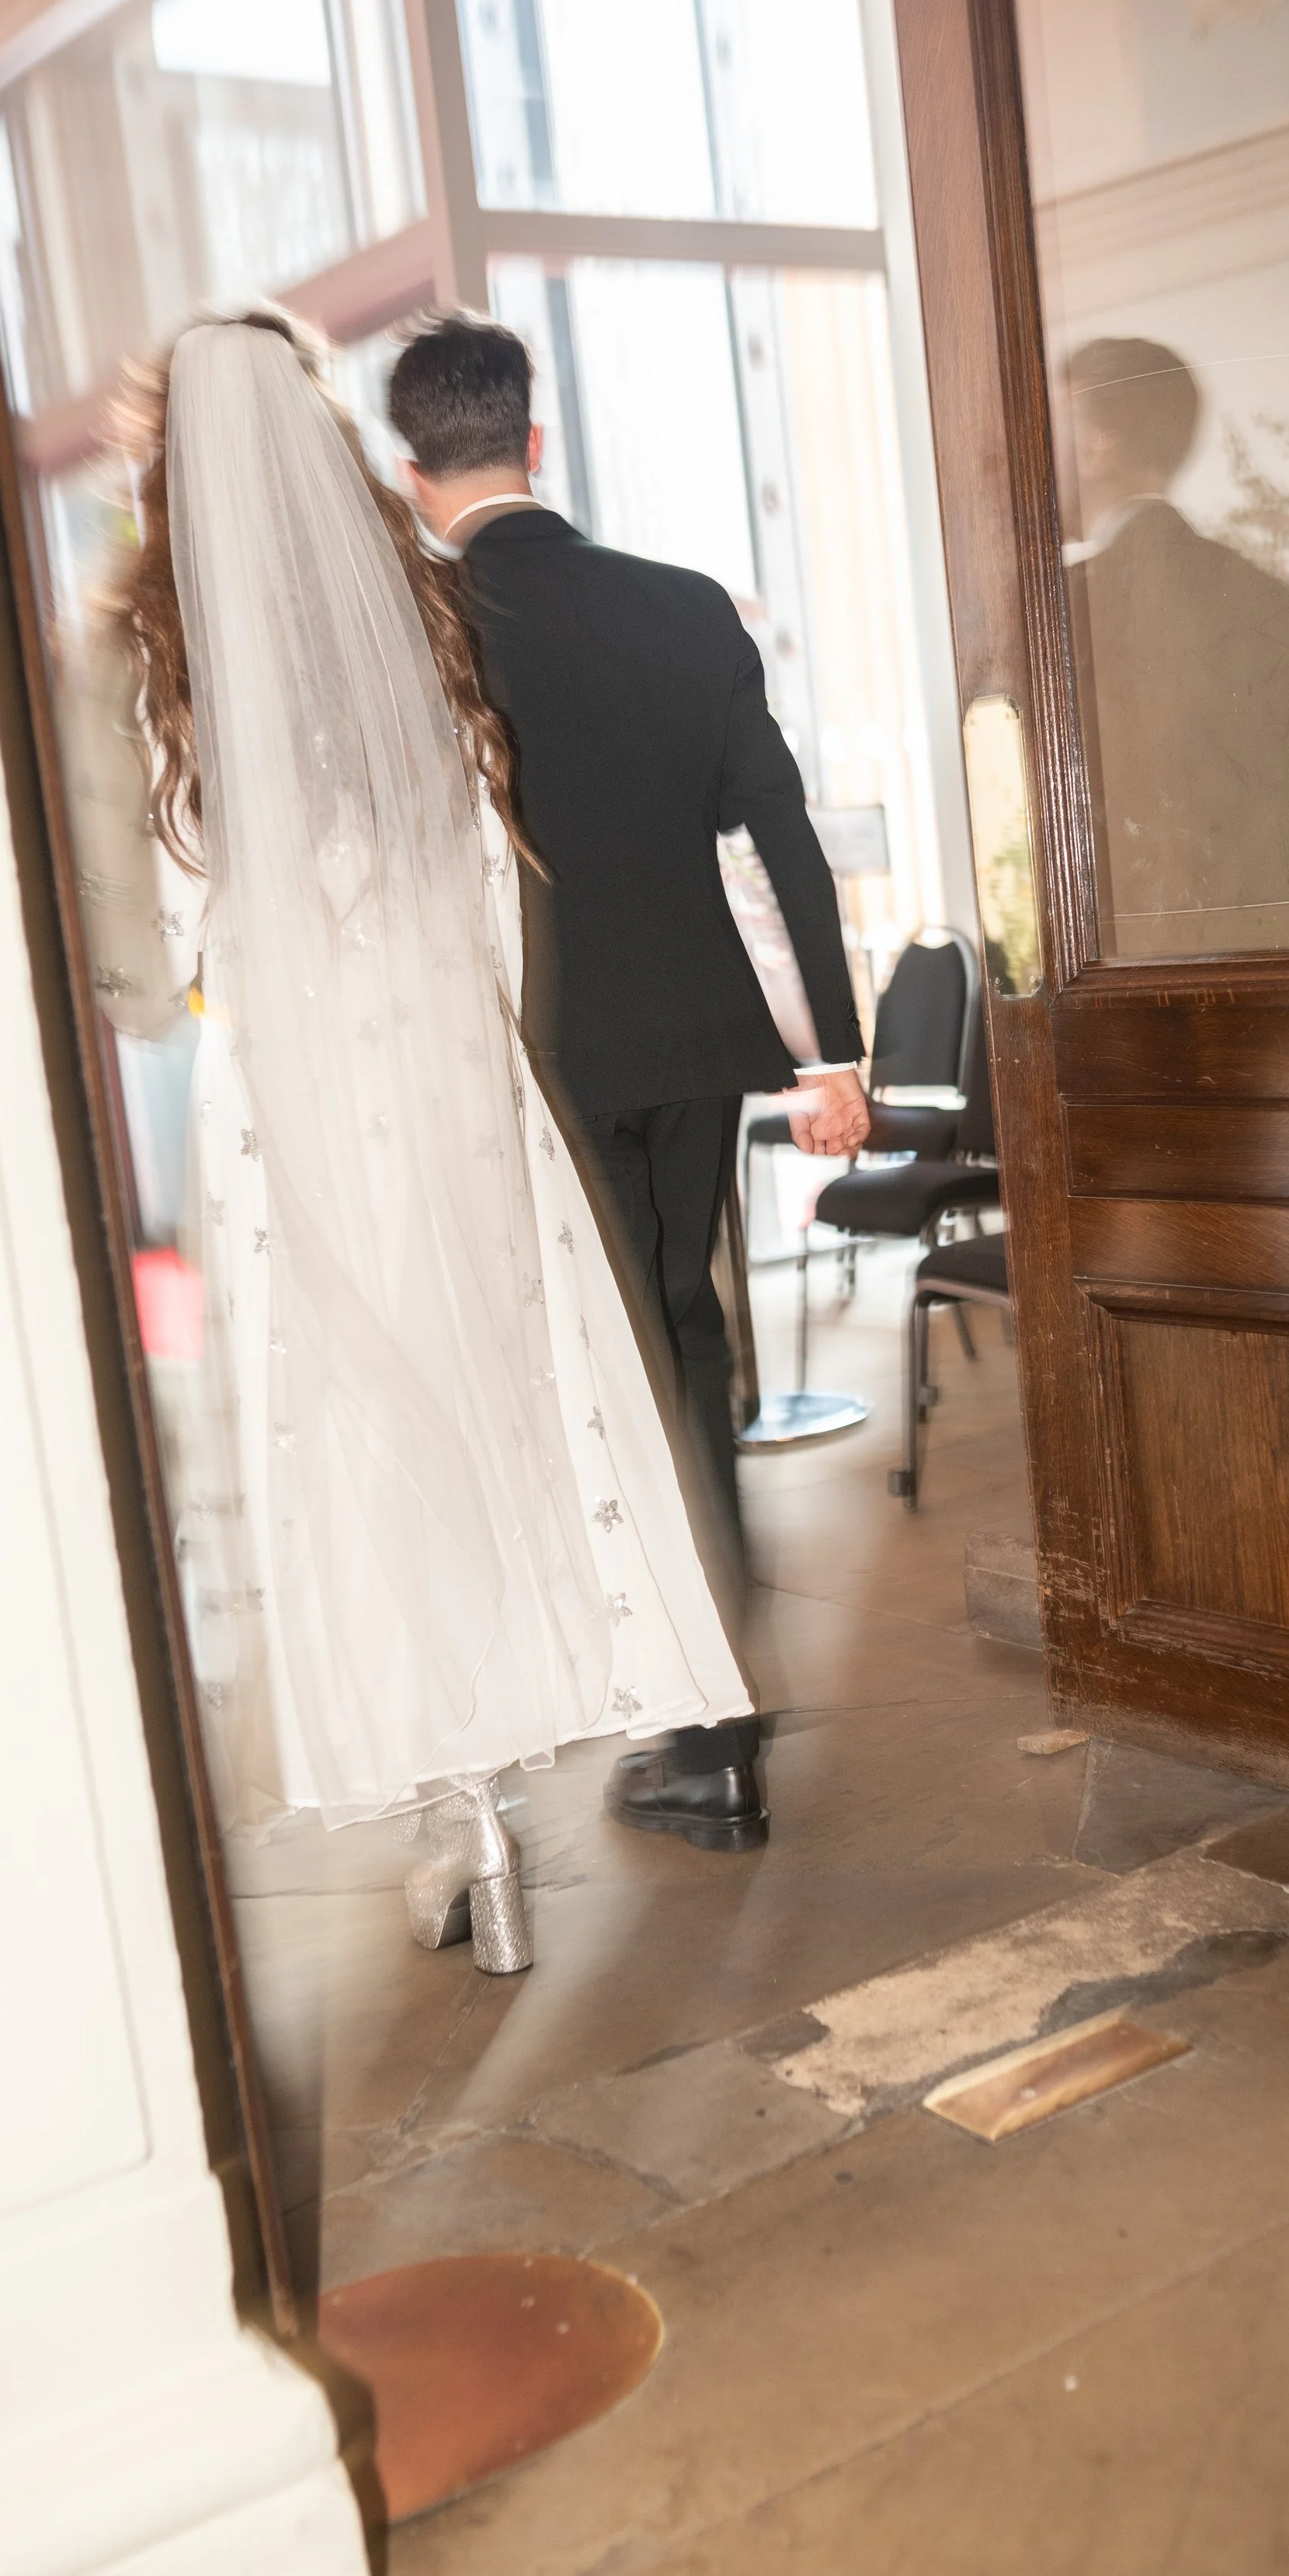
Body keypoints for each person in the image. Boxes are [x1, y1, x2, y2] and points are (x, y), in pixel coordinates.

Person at [84, 311, 752, 1974]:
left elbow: (168, 948)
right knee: (498, 1391)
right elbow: (483, 881)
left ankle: (453, 1809)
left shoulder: (157, 672)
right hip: (455, 1075)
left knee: (358, 1427)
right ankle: (514, 1768)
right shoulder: (422, 620)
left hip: (290, 1101)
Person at [387, 316, 872, 1854]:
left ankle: (659, 1707)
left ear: (415, 477)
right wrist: (835, 1051)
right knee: (685, 1341)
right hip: (691, 1050)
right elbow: (778, 831)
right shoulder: (681, 607)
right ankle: (711, 1726)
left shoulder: (424, 629)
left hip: (532, 1057)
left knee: (579, 1380)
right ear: (534, 443)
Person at [1063, 335, 1289, 958]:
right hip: (1275, 965)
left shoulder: (1066, 613)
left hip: (1127, 976)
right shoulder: (1264, 595)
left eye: (1054, 427)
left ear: (1098, 444)